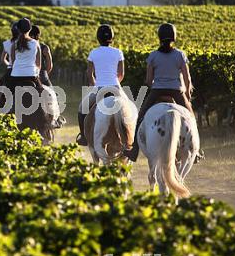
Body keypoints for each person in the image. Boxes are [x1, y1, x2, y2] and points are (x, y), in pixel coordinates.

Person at [123, 23, 195, 162]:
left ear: (159, 37)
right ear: (174, 37)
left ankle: (134, 150)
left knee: (140, 116)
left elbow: (149, 80)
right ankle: (195, 150)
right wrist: (186, 95)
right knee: (191, 118)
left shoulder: (153, 56)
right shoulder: (180, 55)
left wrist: (157, 87)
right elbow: (187, 79)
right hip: (176, 91)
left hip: (157, 90)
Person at [76, 24, 125, 146]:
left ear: (98, 38)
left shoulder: (93, 52)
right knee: (131, 110)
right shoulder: (118, 52)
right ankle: (131, 140)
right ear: (112, 37)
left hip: (99, 88)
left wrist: (95, 84)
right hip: (115, 87)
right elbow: (121, 74)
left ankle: (83, 136)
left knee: (82, 109)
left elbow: (89, 73)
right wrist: (115, 82)